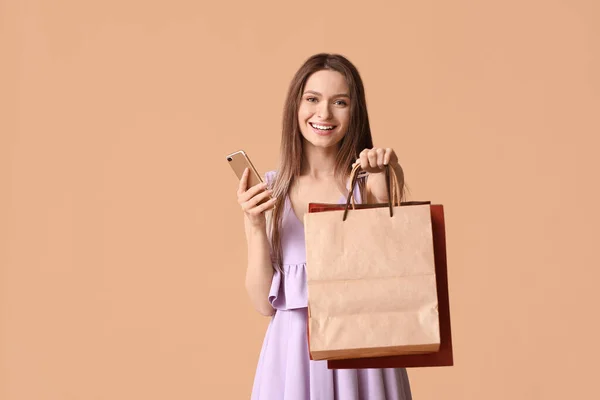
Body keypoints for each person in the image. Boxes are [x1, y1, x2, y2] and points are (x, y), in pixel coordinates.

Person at [236, 53, 412, 400]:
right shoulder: (271, 189)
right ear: (296, 106)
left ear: (354, 111)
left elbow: (391, 272)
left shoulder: (368, 182)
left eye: (340, 102)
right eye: (312, 99)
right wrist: (255, 224)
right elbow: (262, 303)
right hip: (292, 363)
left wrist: (385, 176)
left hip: (365, 359)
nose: (324, 114)